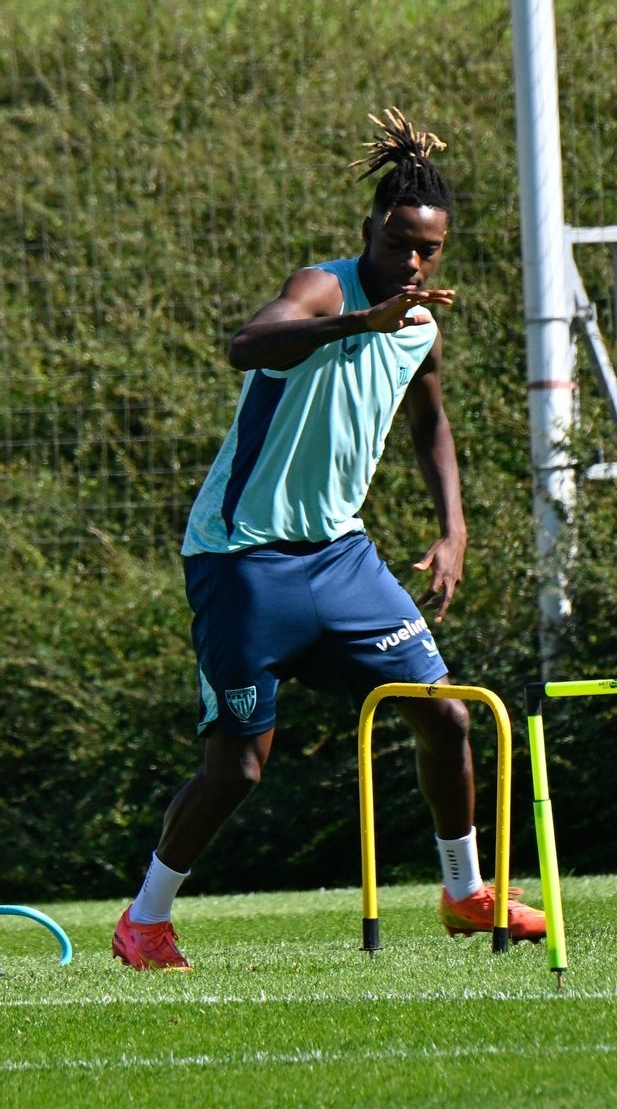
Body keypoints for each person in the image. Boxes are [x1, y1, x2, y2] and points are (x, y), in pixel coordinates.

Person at [112, 108, 545, 970]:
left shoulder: (421, 327)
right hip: (242, 556)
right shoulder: (324, 288)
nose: (411, 263)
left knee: (445, 714)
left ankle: (464, 893)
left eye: (428, 250)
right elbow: (245, 345)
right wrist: (359, 320)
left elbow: (429, 423)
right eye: (398, 243)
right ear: (368, 231)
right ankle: (144, 921)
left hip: (340, 557)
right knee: (238, 769)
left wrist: (453, 529)